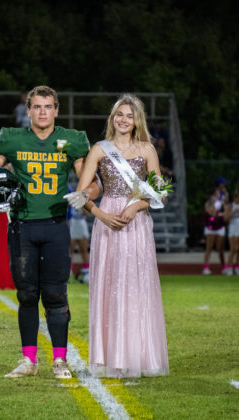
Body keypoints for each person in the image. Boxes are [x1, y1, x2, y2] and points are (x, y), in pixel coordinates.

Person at [0, 85, 99, 379]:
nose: (42, 112)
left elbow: (93, 181)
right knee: (27, 295)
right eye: (37, 107)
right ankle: (29, 360)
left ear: (56, 110)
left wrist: (86, 193)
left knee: (55, 294)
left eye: (48, 106)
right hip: (22, 227)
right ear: (28, 111)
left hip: (55, 226)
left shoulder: (72, 139)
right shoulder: (13, 139)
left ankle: (60, 360)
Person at [70, 94, 169, 377]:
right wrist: (102, 215)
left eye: (128, 115)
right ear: (112, 118)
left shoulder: (148, 149)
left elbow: (159, 192)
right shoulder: (100, 150)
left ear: (137, 120)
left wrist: (137, 205)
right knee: (110, 286)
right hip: (108, 220)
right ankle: (110, 356)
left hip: (137, 222)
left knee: (137, 285)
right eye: (118, 115)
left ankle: (138, 355)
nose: (123, 120)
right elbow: (81, 194)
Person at [202, 189, 227, 275]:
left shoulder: (221, 203)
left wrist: (223, 212)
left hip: (219, 227)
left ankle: (224, 267)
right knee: (209, 248)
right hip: (210, 228)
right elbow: (211, 213)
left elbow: (227, 212)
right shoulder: (208, 203)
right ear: (212, 196)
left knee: (220, 249)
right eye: (216, 195)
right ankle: (206, 268)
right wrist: (218, 213)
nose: (218, 196)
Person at [69, 206, 90, 283]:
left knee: (84, 250)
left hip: (81, 223)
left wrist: (83, 209)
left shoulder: (83, 196)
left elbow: (86, 213)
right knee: (71, 250)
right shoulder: (69, 194)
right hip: (72, 222)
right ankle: (69, 271)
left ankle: (87, 271)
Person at [224, 190, 239, 275]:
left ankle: (237, 267)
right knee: (233, 249)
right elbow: (226, 218)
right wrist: (234, 213)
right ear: (235, 197)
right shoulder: (230, 206)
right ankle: (229, 267)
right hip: (233, 229)